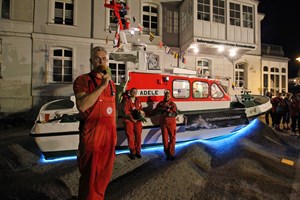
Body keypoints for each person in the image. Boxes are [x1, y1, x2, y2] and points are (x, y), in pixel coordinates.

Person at [73, 46, 117, 200]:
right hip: (92, 135)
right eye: (97, 58)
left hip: (109, 136)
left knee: (104, 177)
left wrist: (114, 136)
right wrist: (101, 86)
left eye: (104, 58)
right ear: (91, 61)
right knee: (90, 178)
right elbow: (82, 105)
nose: (101, 61)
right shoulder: (83, 80)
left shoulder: (112, 84)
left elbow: (113, 109)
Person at [153, 90, 178, 161]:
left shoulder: (173, 104)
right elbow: (156, 111)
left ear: (170, 96)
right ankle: (167, 154)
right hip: (163, 123)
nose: (167, 97)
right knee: (165, 139)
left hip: (171, 123)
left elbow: (175, 113)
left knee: (172, 138)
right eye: (166, 95)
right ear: (164, 96)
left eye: (168, 96)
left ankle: (172, 153)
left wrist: (167, 112)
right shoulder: (160, 104)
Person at [123, 87, 144, 160]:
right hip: (129, 121)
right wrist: (132, 118)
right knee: (130, 136)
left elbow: (140, 108)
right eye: (133, 91)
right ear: (130, 93)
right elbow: (126, 111)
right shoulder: (127, 100)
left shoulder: (138, 100)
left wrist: (141, 113)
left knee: (138, 136)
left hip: (137, 120)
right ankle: (132, 152)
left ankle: (138, 152)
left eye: (136, 91)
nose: (135, 93)